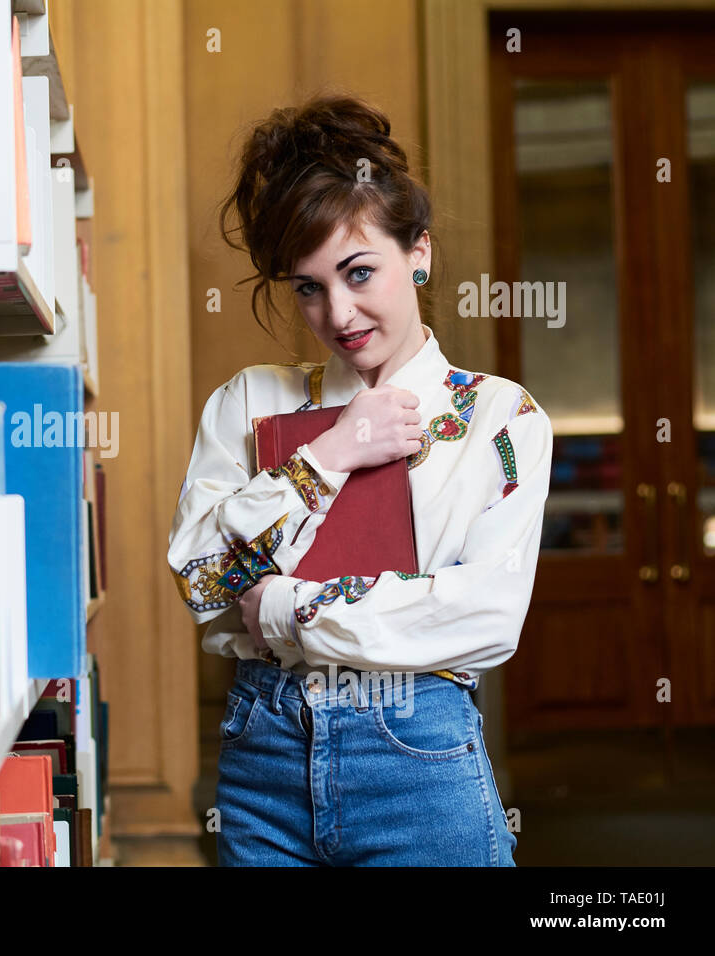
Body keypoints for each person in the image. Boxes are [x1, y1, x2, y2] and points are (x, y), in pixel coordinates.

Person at [167, 94, 553, 866]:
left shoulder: (500, 419)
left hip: (417, 756)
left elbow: (486, 616)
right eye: (308, 287)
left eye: (359, 272)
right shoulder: (250, 402)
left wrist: (282, 607)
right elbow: (202, 581)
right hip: (262, 760)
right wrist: (327, 458)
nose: (337, 312)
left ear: (420, 253)